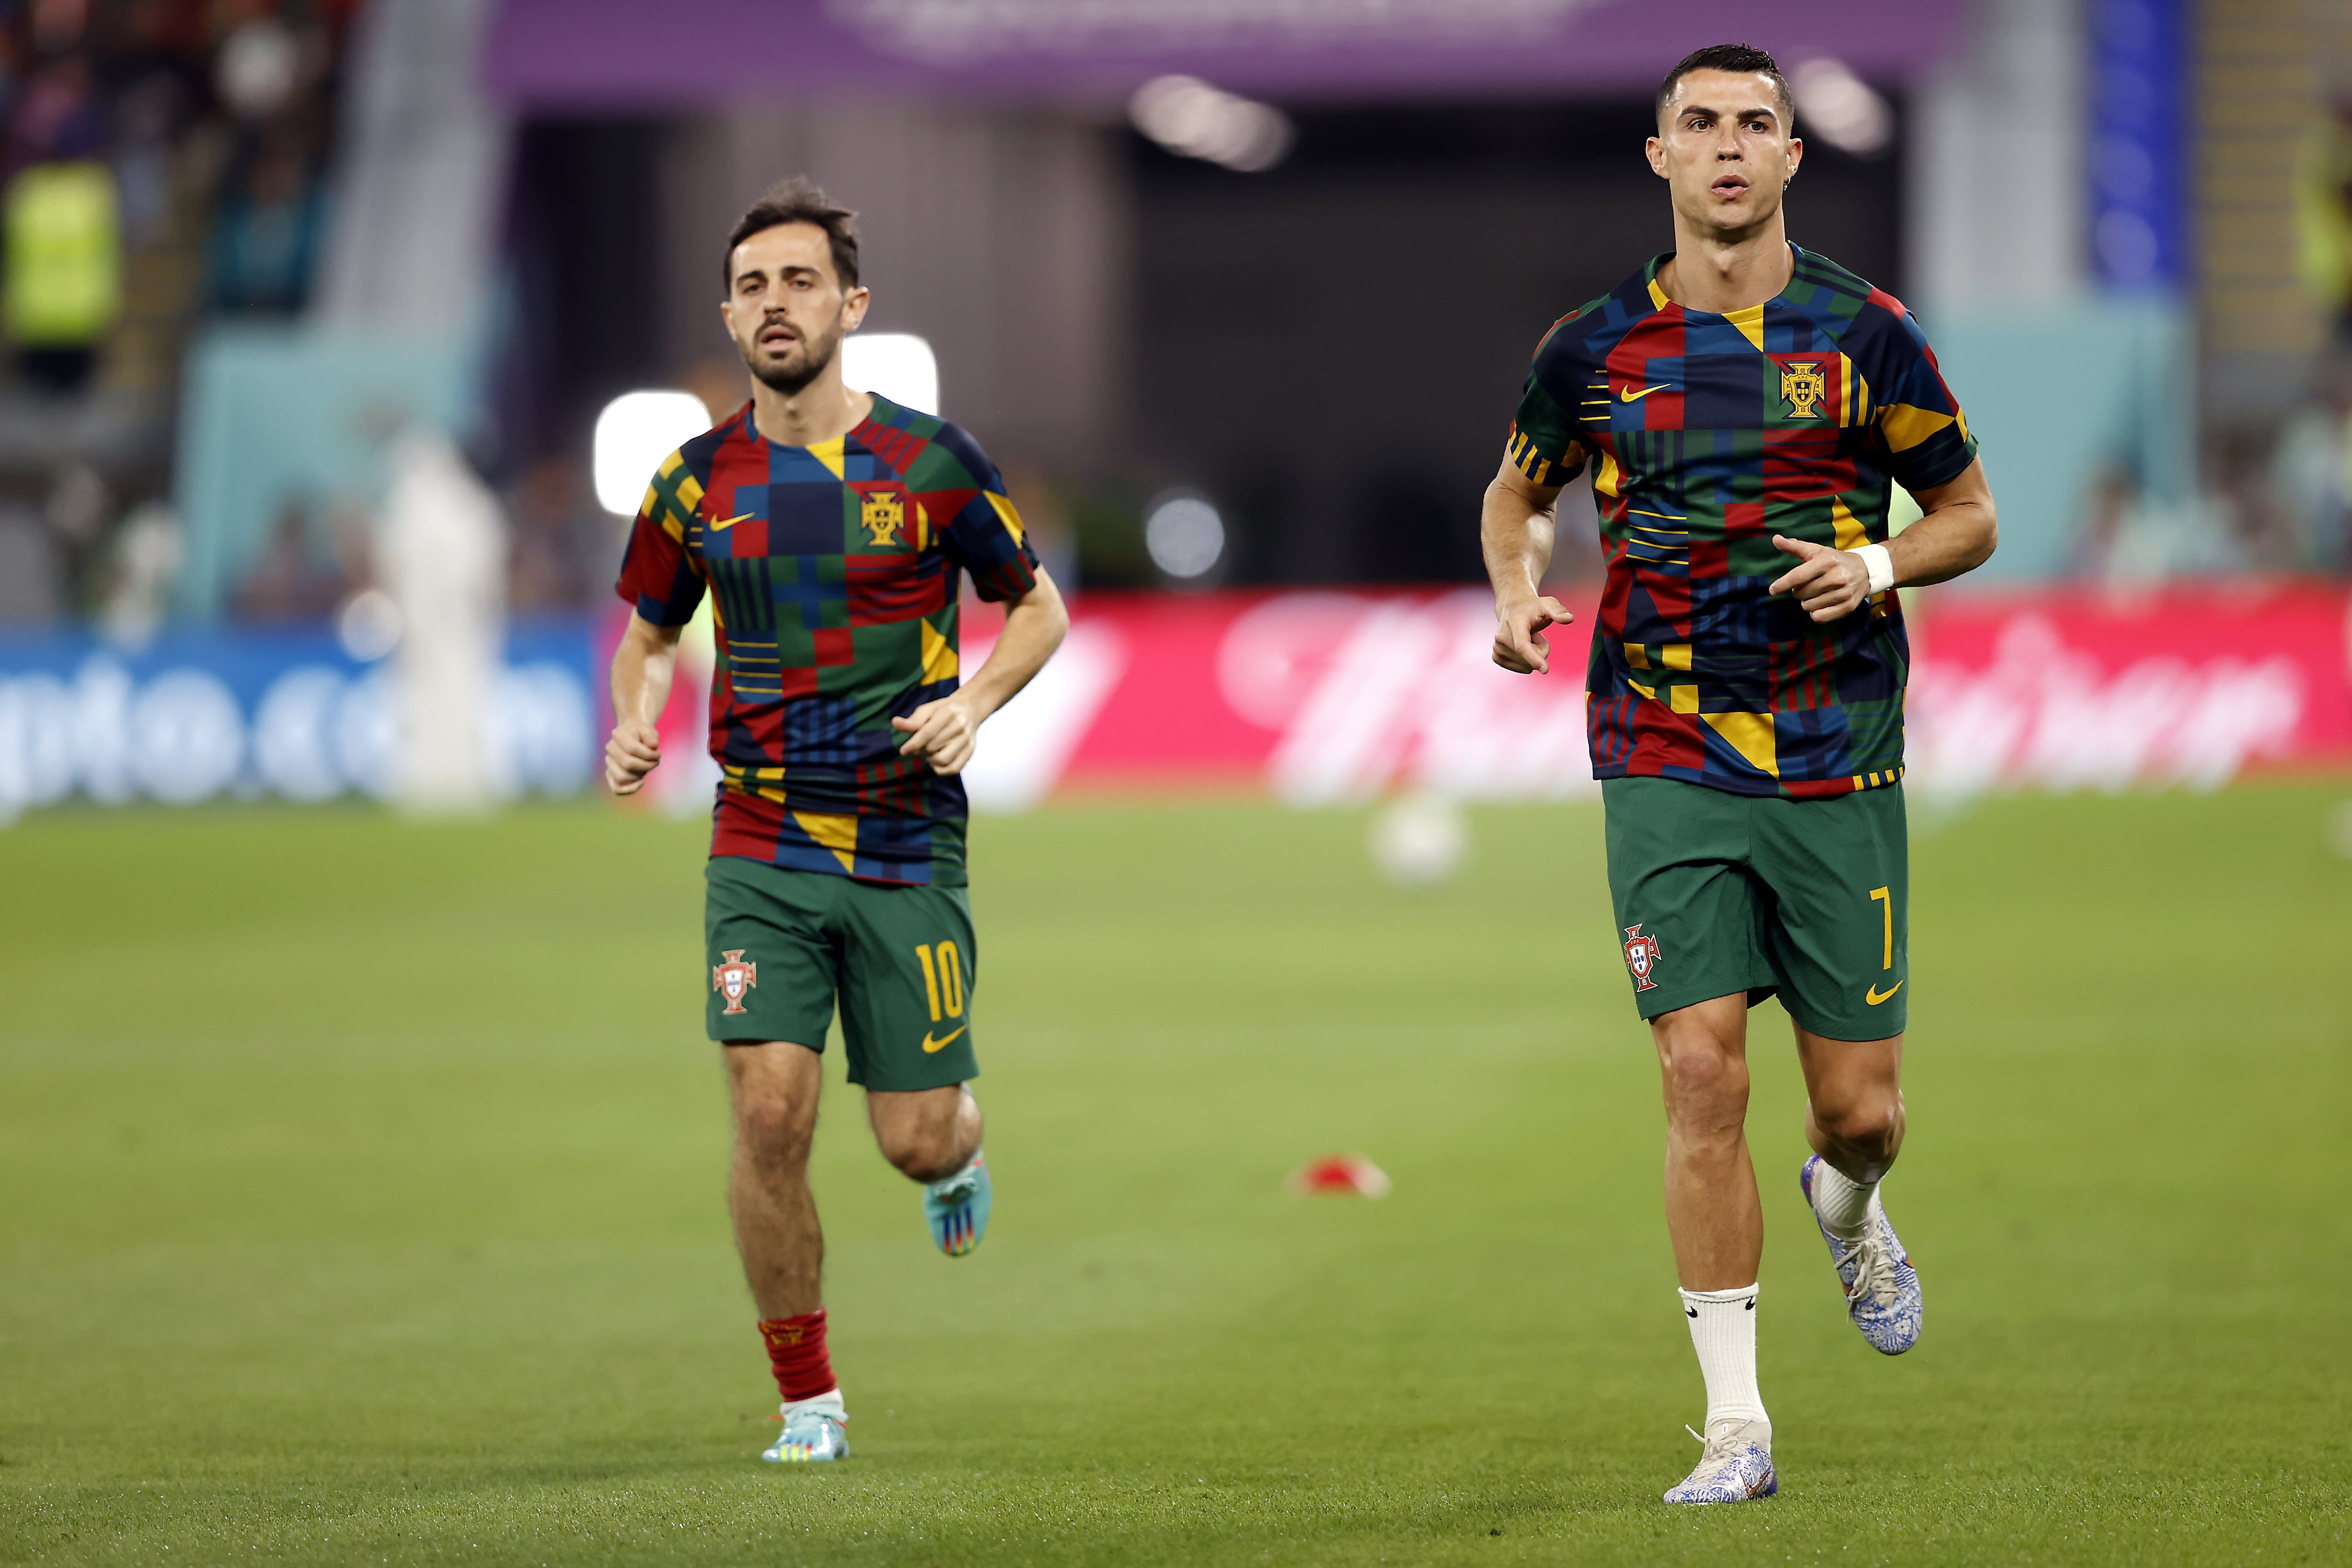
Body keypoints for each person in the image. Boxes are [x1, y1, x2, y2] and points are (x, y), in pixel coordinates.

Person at [1478, 45, 1997, 1505]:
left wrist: (1878, 560)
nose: (1725, 147)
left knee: (1861, 1113)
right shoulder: (1593, 349)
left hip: (1836, 754)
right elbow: (1517, 491)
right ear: (1660, 158)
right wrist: (1515, 592)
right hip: (1662, 745)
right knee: (1700, 1067)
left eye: (1753, 126)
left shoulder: (1864, 331)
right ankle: (1736, 1428)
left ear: (1790, 159)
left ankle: (1853, 1206)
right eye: (1698, 125)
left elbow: (1970, 511)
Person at [604, 177, 1068, 1465]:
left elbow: (1036, 608)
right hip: (757, 839)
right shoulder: (695, 483)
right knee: (767, 1115)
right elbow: (646, 635)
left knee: (913, 1140)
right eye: (752, 285)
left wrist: (975, 703)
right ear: (728, 312)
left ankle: (961, 1151)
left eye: (799, 281)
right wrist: (633, 716)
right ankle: (808, 1400)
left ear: (850, 304)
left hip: (907, 835)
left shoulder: (929, 460)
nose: (774, 304)